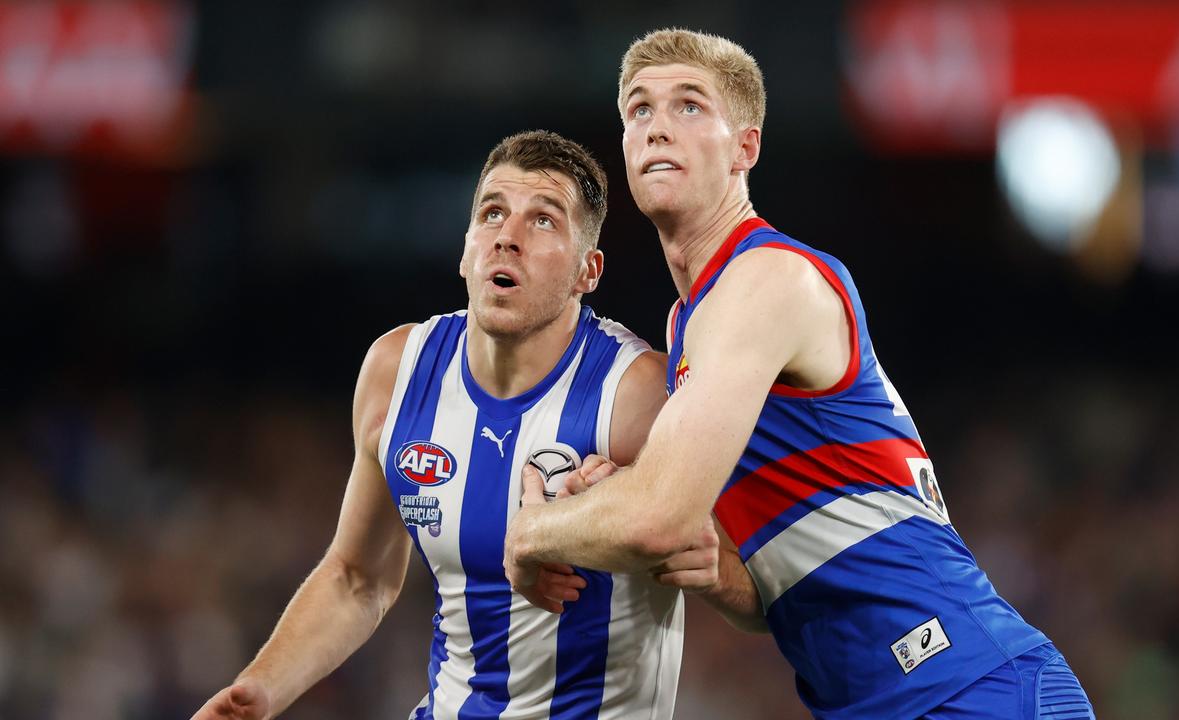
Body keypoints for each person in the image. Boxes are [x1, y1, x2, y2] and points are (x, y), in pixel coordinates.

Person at [503, 30, 1096, 719]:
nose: (657, 126)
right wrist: (719, 572)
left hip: (967, 687)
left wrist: (531, 534)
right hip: (890, 700)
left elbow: (658, 516)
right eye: (638, 110)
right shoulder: (689, 321)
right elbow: (774, 586)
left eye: (689, 106)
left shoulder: (766, 280)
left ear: (744, 148)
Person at [192, 129, 735, 720]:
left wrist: (686, 558)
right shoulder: (397, 373)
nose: (508, 237)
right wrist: (260, 691)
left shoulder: (637, 396)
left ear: (588, 270)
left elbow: (741, 578)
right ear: (466, 248)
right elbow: (358, 579)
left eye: (544, 221)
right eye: (492, 213)